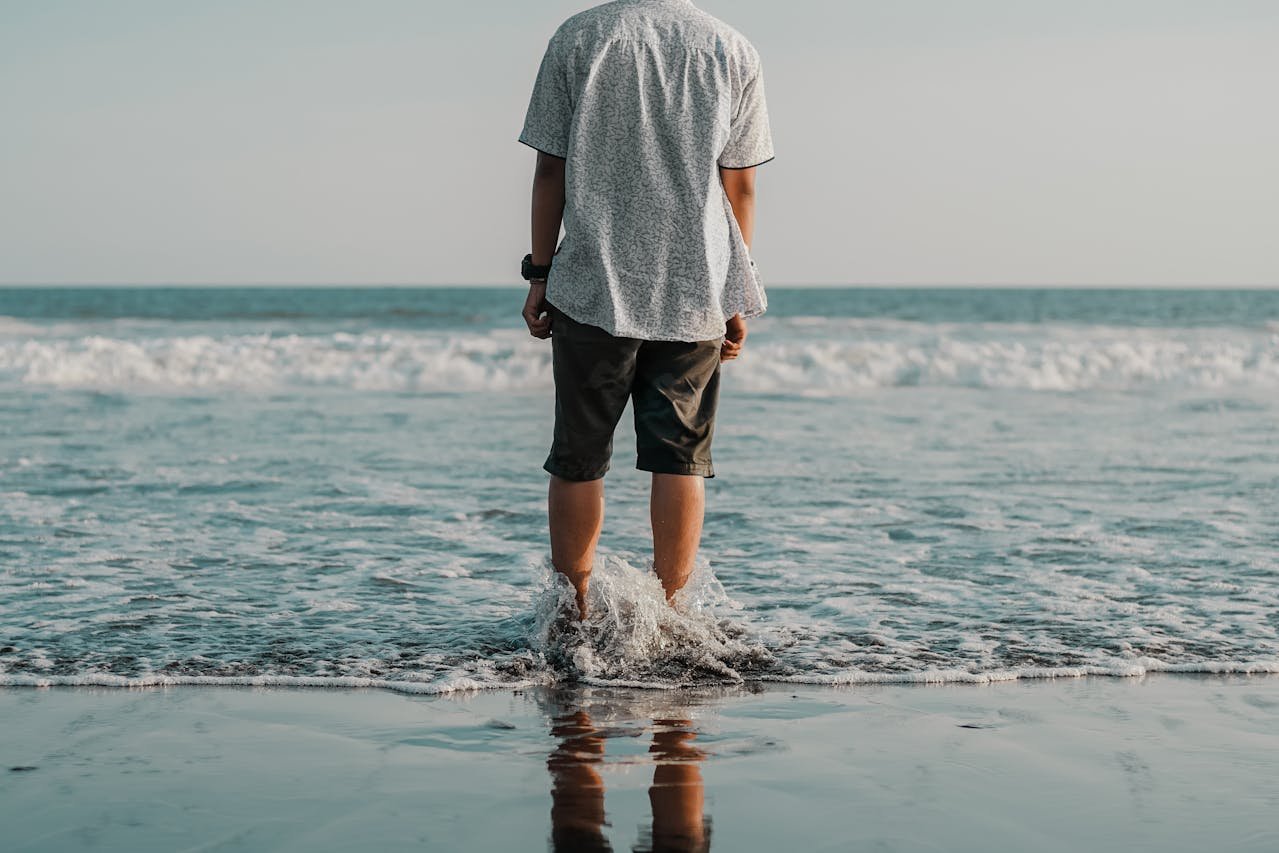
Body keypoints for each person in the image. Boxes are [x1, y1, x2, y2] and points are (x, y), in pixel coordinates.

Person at [518, 0, 774, 619]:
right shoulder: (730, 46)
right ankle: (675, 618)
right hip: (696, 285)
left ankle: (571, 615)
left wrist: (540, 274)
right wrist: (735, 289)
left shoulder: (578, 37)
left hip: (591, 285)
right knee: (680, 459)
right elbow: (738, 181)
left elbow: (550, 167)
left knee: (579, 459)